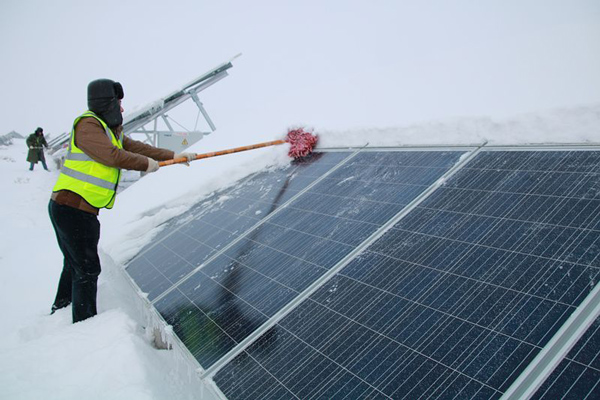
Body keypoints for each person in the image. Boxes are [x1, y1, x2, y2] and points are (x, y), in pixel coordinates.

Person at [49, 78, 196, 323]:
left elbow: (137, 148)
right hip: (72, 207)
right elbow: (111, 156)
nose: (122, 109)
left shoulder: (109, 130)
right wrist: (145, 165)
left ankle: (61, 309)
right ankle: (83, 324)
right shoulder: (88, 126)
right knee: (86, 269)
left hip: (76, 208)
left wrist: (174, 156)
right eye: (118, 103)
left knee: (75, 264)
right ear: (107, 103)